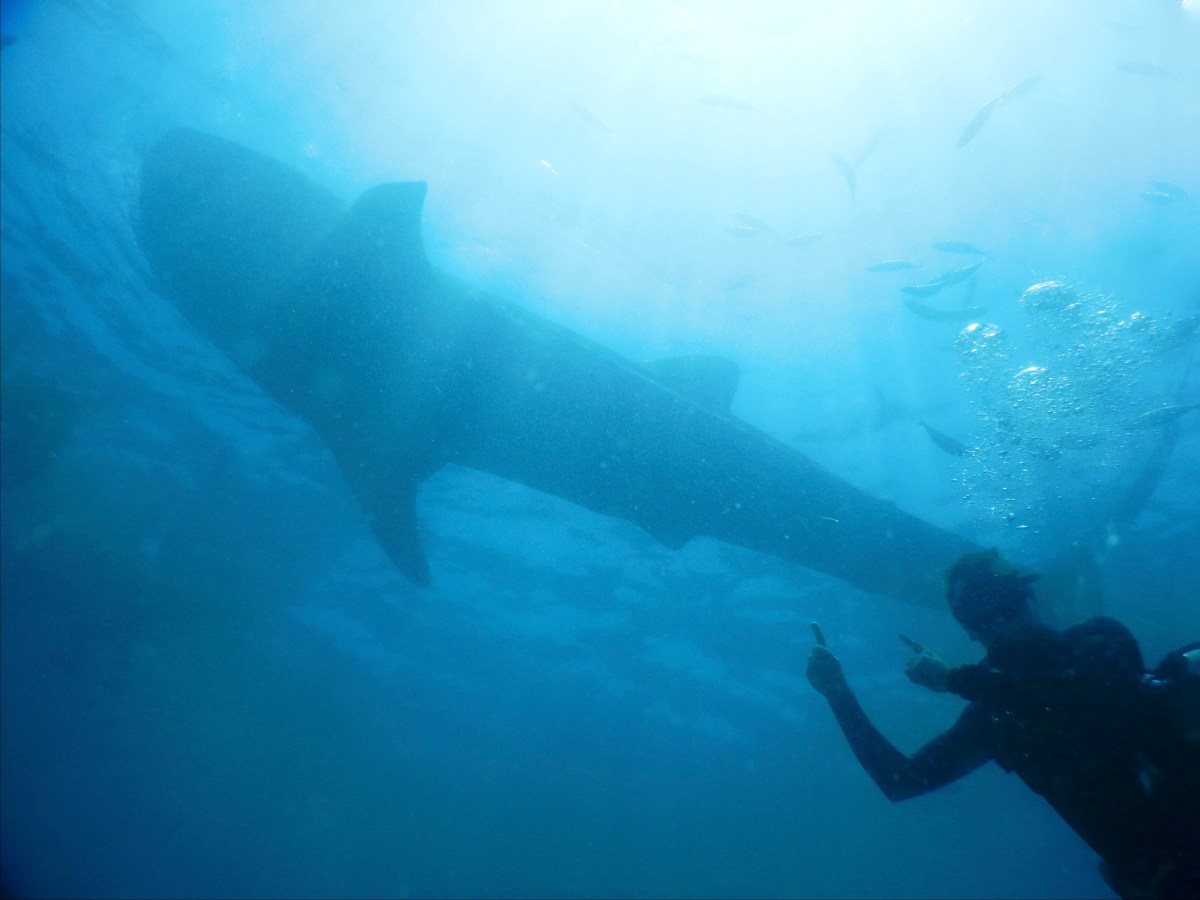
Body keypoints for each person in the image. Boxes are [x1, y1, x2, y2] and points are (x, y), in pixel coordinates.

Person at [806, 549, 1199, 899]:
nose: (1000, 620)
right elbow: (900, 781)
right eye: (982, 611)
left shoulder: (1097, 640)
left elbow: (1086, 693)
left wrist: (958, 680)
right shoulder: (993, 717)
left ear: (1030, 595)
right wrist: (839, 696)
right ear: (970, 628)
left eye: (1005, 600)